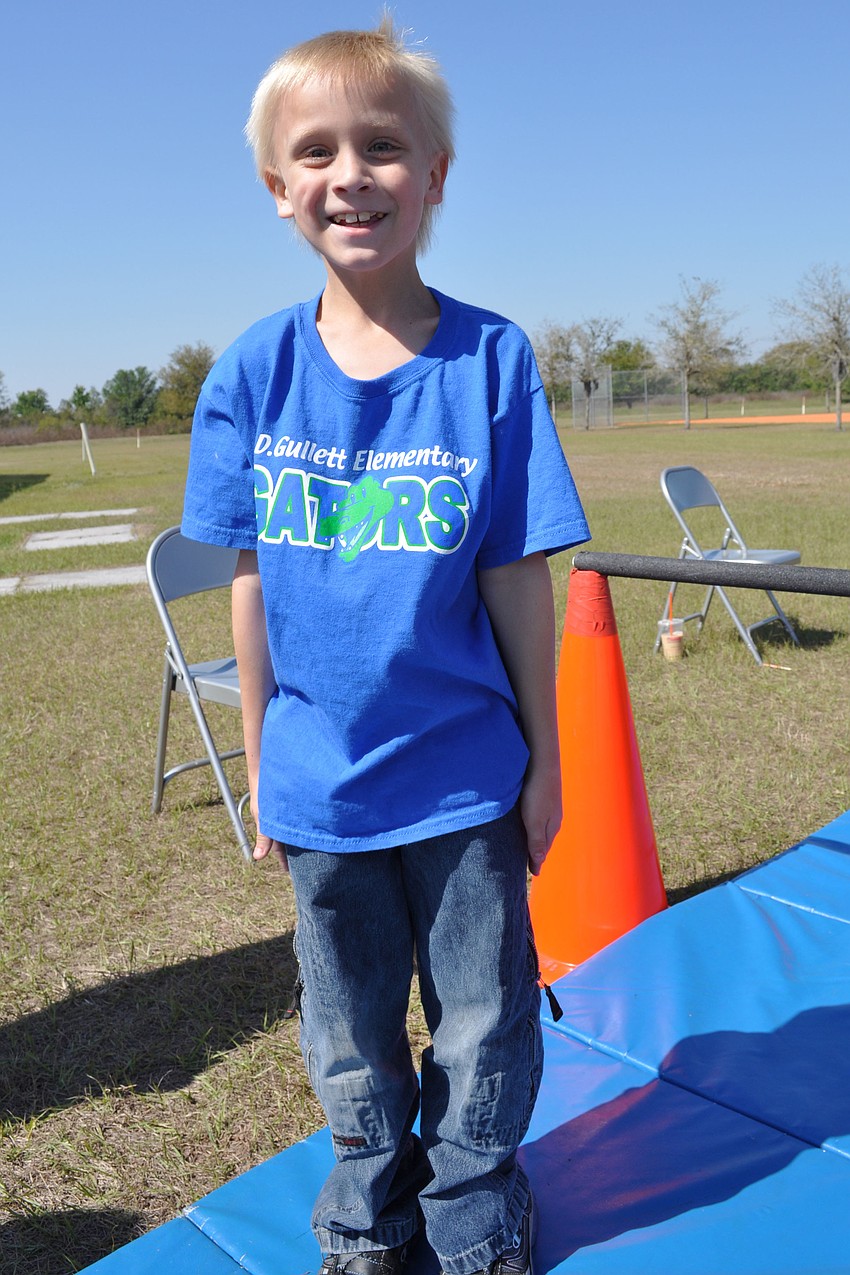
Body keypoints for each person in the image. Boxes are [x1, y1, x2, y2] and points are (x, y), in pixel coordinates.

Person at [181, 18, 589, 1275]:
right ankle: (368, 1213)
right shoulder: (252, 372)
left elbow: (520, 579)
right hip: (321, 779)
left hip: (464, 775)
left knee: (481, 1024)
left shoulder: (493, 361)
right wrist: (259, 756)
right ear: (276, 186)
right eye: (316, 151)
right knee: (350, 1033)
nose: (350, 173)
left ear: (436, 174)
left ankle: (473, 1216)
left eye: (383, 146)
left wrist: (544, 760)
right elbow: (248, 588)